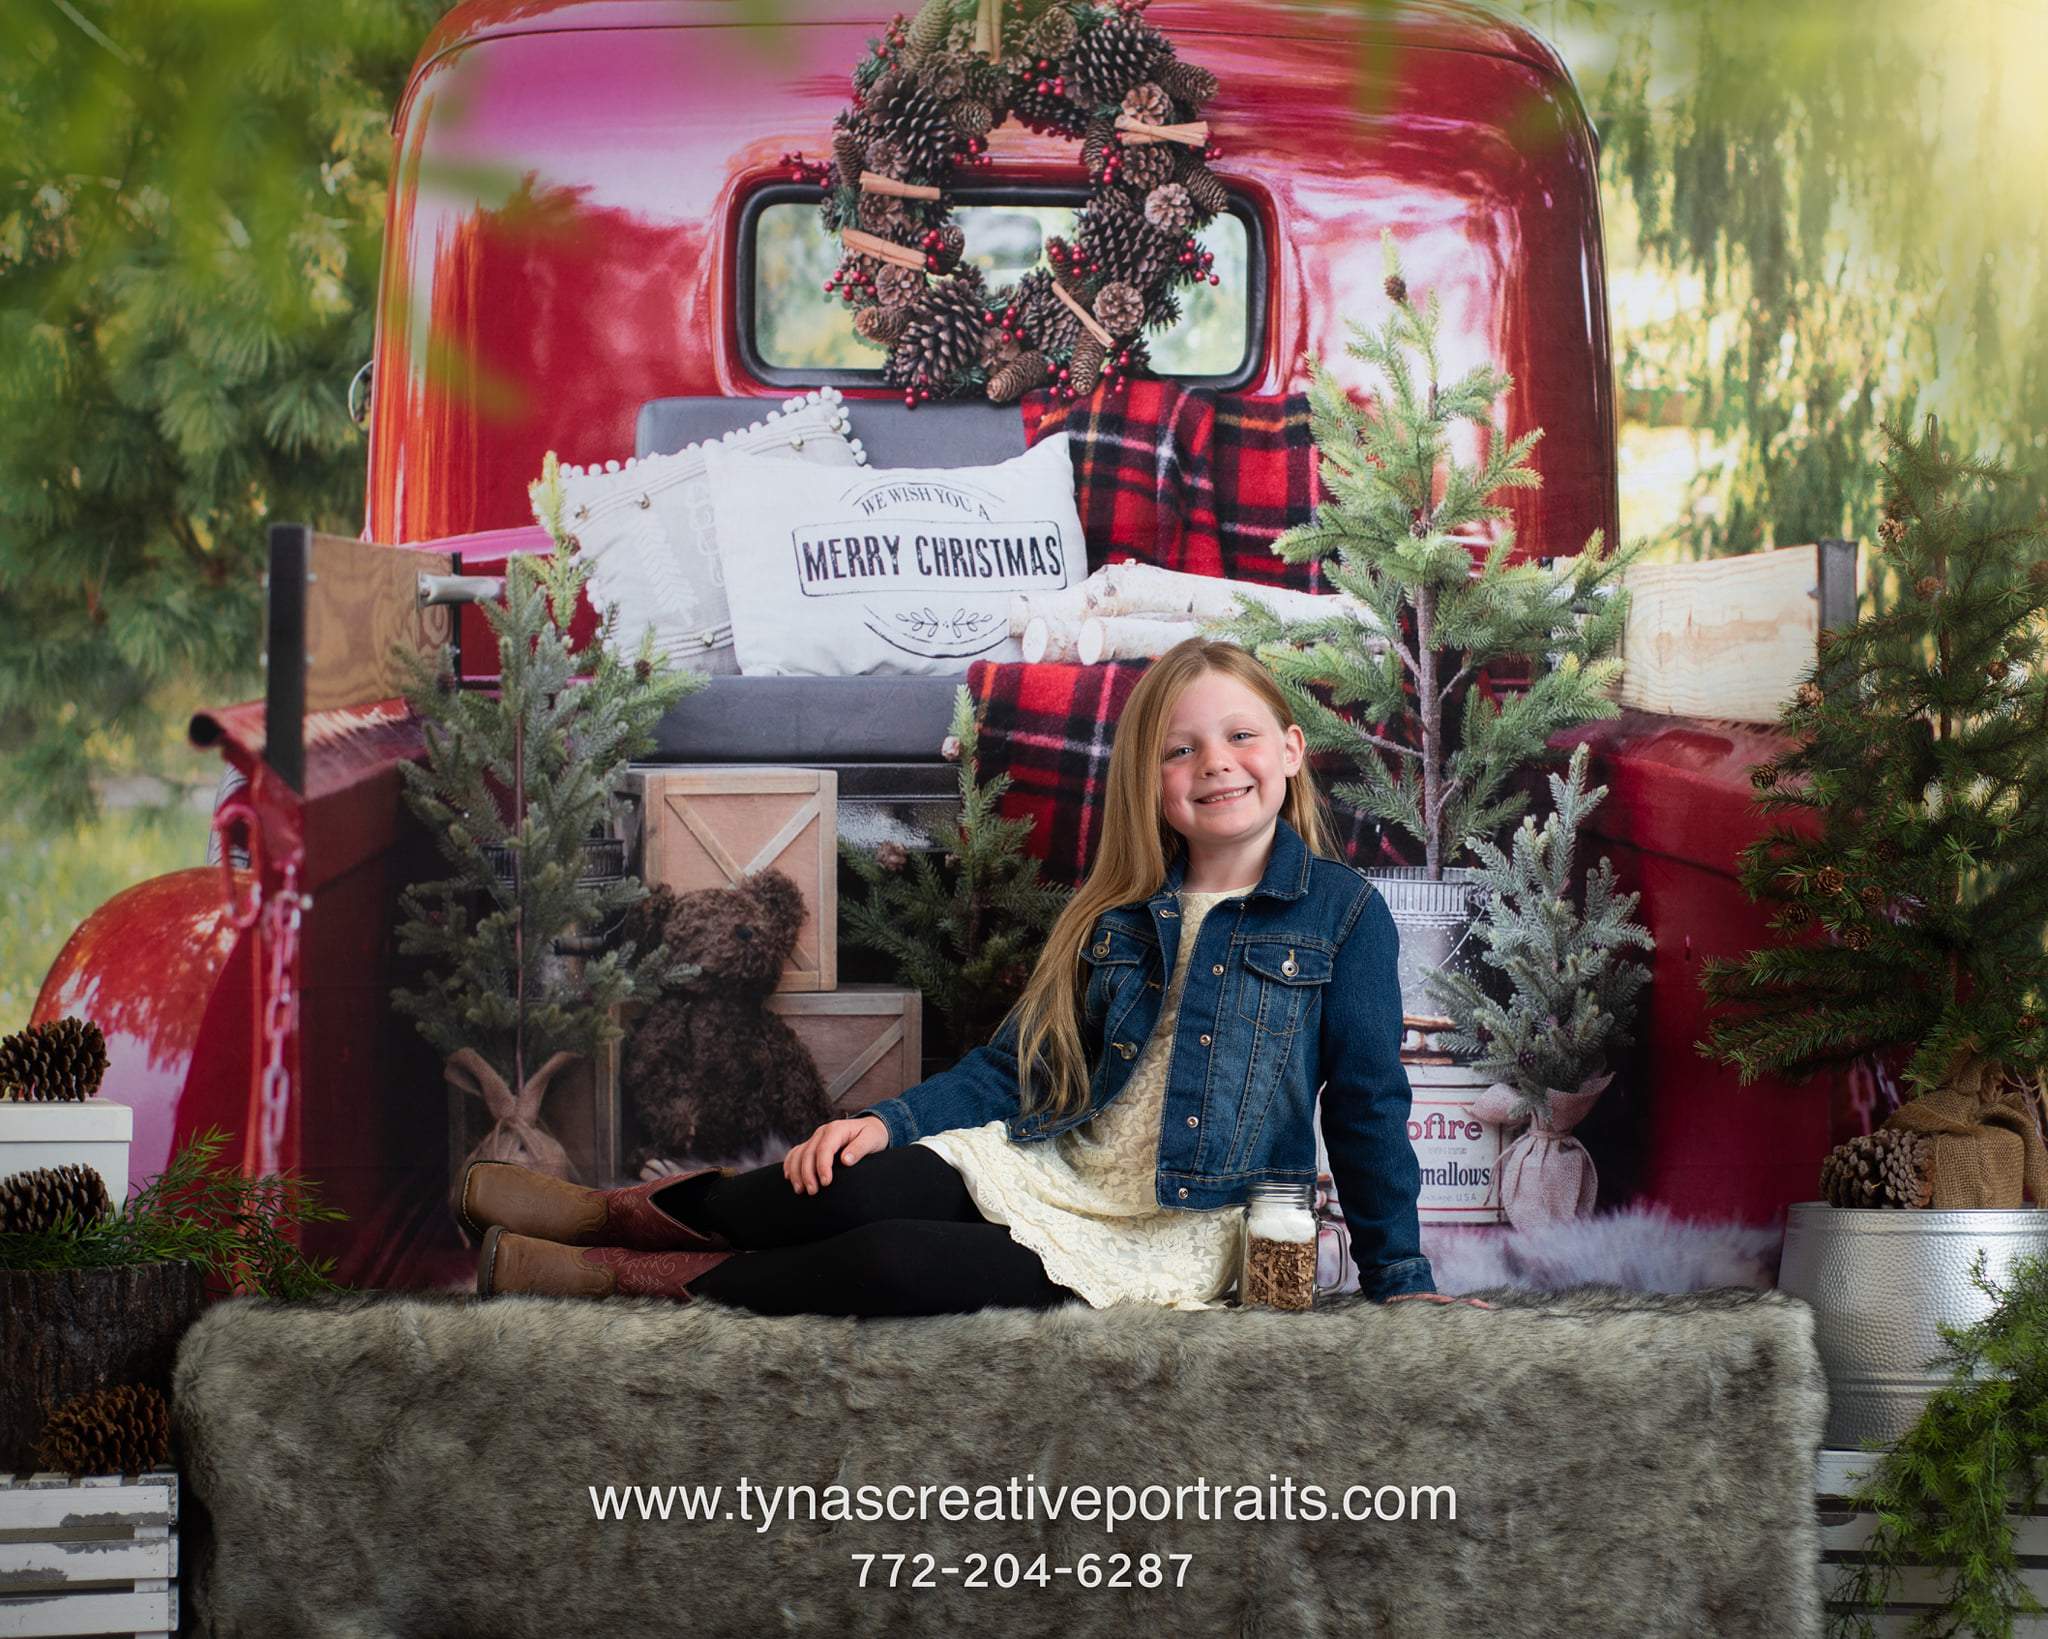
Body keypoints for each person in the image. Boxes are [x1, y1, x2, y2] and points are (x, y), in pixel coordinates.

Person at [467, 636, 1489, 1316]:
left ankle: (613, 1276)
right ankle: (603, 1211)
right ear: (1151, 782)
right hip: (1047, 1166)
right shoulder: (1116, 913)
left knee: (888, 1262)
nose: (1214, 763)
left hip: (1174, 1231)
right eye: (1179, 750)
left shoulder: (1342, 916)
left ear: (1291, 751)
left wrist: (1400, 1280)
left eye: (1238, 736)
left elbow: (1364, 1106)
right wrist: (889, 1122)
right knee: (855, 1182)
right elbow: (1011, 1073)